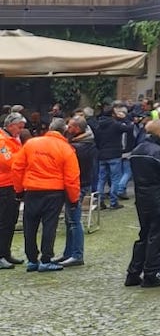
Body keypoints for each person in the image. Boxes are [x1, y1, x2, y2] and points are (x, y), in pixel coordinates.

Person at [11, 115, 80, 272]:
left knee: (30, 226)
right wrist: (73, 199)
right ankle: (46, 259)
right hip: (54, 192)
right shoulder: (66, 149)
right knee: (49, 226)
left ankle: (31, 260)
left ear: (49, 129)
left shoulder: (31, 144)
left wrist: (19, 190)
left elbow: (17, 167)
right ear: (64, 132)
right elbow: (72, 177)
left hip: (32, 190)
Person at [122, 119, 160, 288]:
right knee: (157, 237)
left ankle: (133, 272)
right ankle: (150, 273)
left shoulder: (137, 150)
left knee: (144, 236)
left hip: (143, 199)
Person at [56, 114, 96, 267]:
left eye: (71, 126)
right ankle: (69, 253)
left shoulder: (80, 147)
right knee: (70, 220)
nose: (68, 128)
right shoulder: (83, 142)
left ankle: (77, 254)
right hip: (79, 183)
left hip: (78, 184)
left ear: (78, 129)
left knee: (74, 220)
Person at [93, 102, 129, 210]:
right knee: (115, 179)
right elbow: (129, 128)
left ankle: (100, 202)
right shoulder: (115, 124)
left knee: (101, 179)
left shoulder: (98, 125)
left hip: (102, 155)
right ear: (113, 114)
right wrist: (124, 119)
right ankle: (113, 202)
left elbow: (97, 140)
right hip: (114, 155)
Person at [0, 111, 25, 267]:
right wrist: (24, 158)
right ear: (10, 125)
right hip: (3, 186)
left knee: (10, 221)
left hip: (12, 185)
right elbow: (8, 161)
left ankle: (6, 253)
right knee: (3, 222)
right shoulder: (3, 141)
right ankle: (1, 255)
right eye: (19, 127)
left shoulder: (13, 139)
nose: (21, 130)